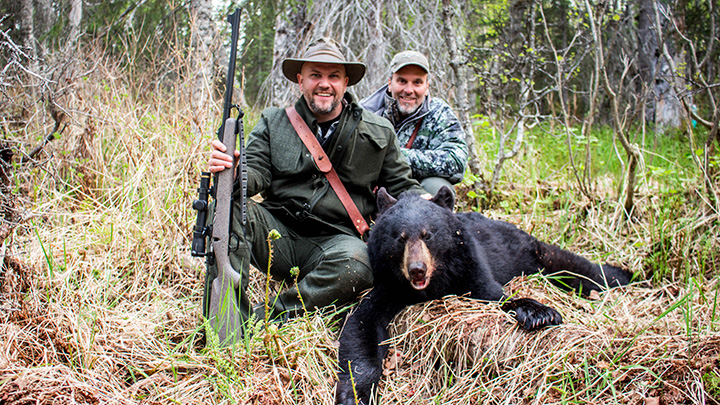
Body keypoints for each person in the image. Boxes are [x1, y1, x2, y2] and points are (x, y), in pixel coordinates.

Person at [204, 38, 427, 328]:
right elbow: (255, 172)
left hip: (338, 242)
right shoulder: (273, 122)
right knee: (224, 211)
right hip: (277, 236)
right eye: (315, 75)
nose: (325, 84)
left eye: (333, 76)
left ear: (345, 82)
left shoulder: (378, 131)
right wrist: (233, 173)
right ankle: (226, 322)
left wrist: (429, 203)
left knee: (359, 265)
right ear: (300, 81)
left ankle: (263, 319)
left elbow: (402, 186)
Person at [361, 50, 468, 196]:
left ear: (426, 87)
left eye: (417, 82)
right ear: (390, 83)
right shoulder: (366, 113)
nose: (409, 90)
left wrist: (395, 156)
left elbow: (457, 163)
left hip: (414, 194)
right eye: (402, 81)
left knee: (436, 187)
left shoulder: (440, 113)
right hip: (370, 191)